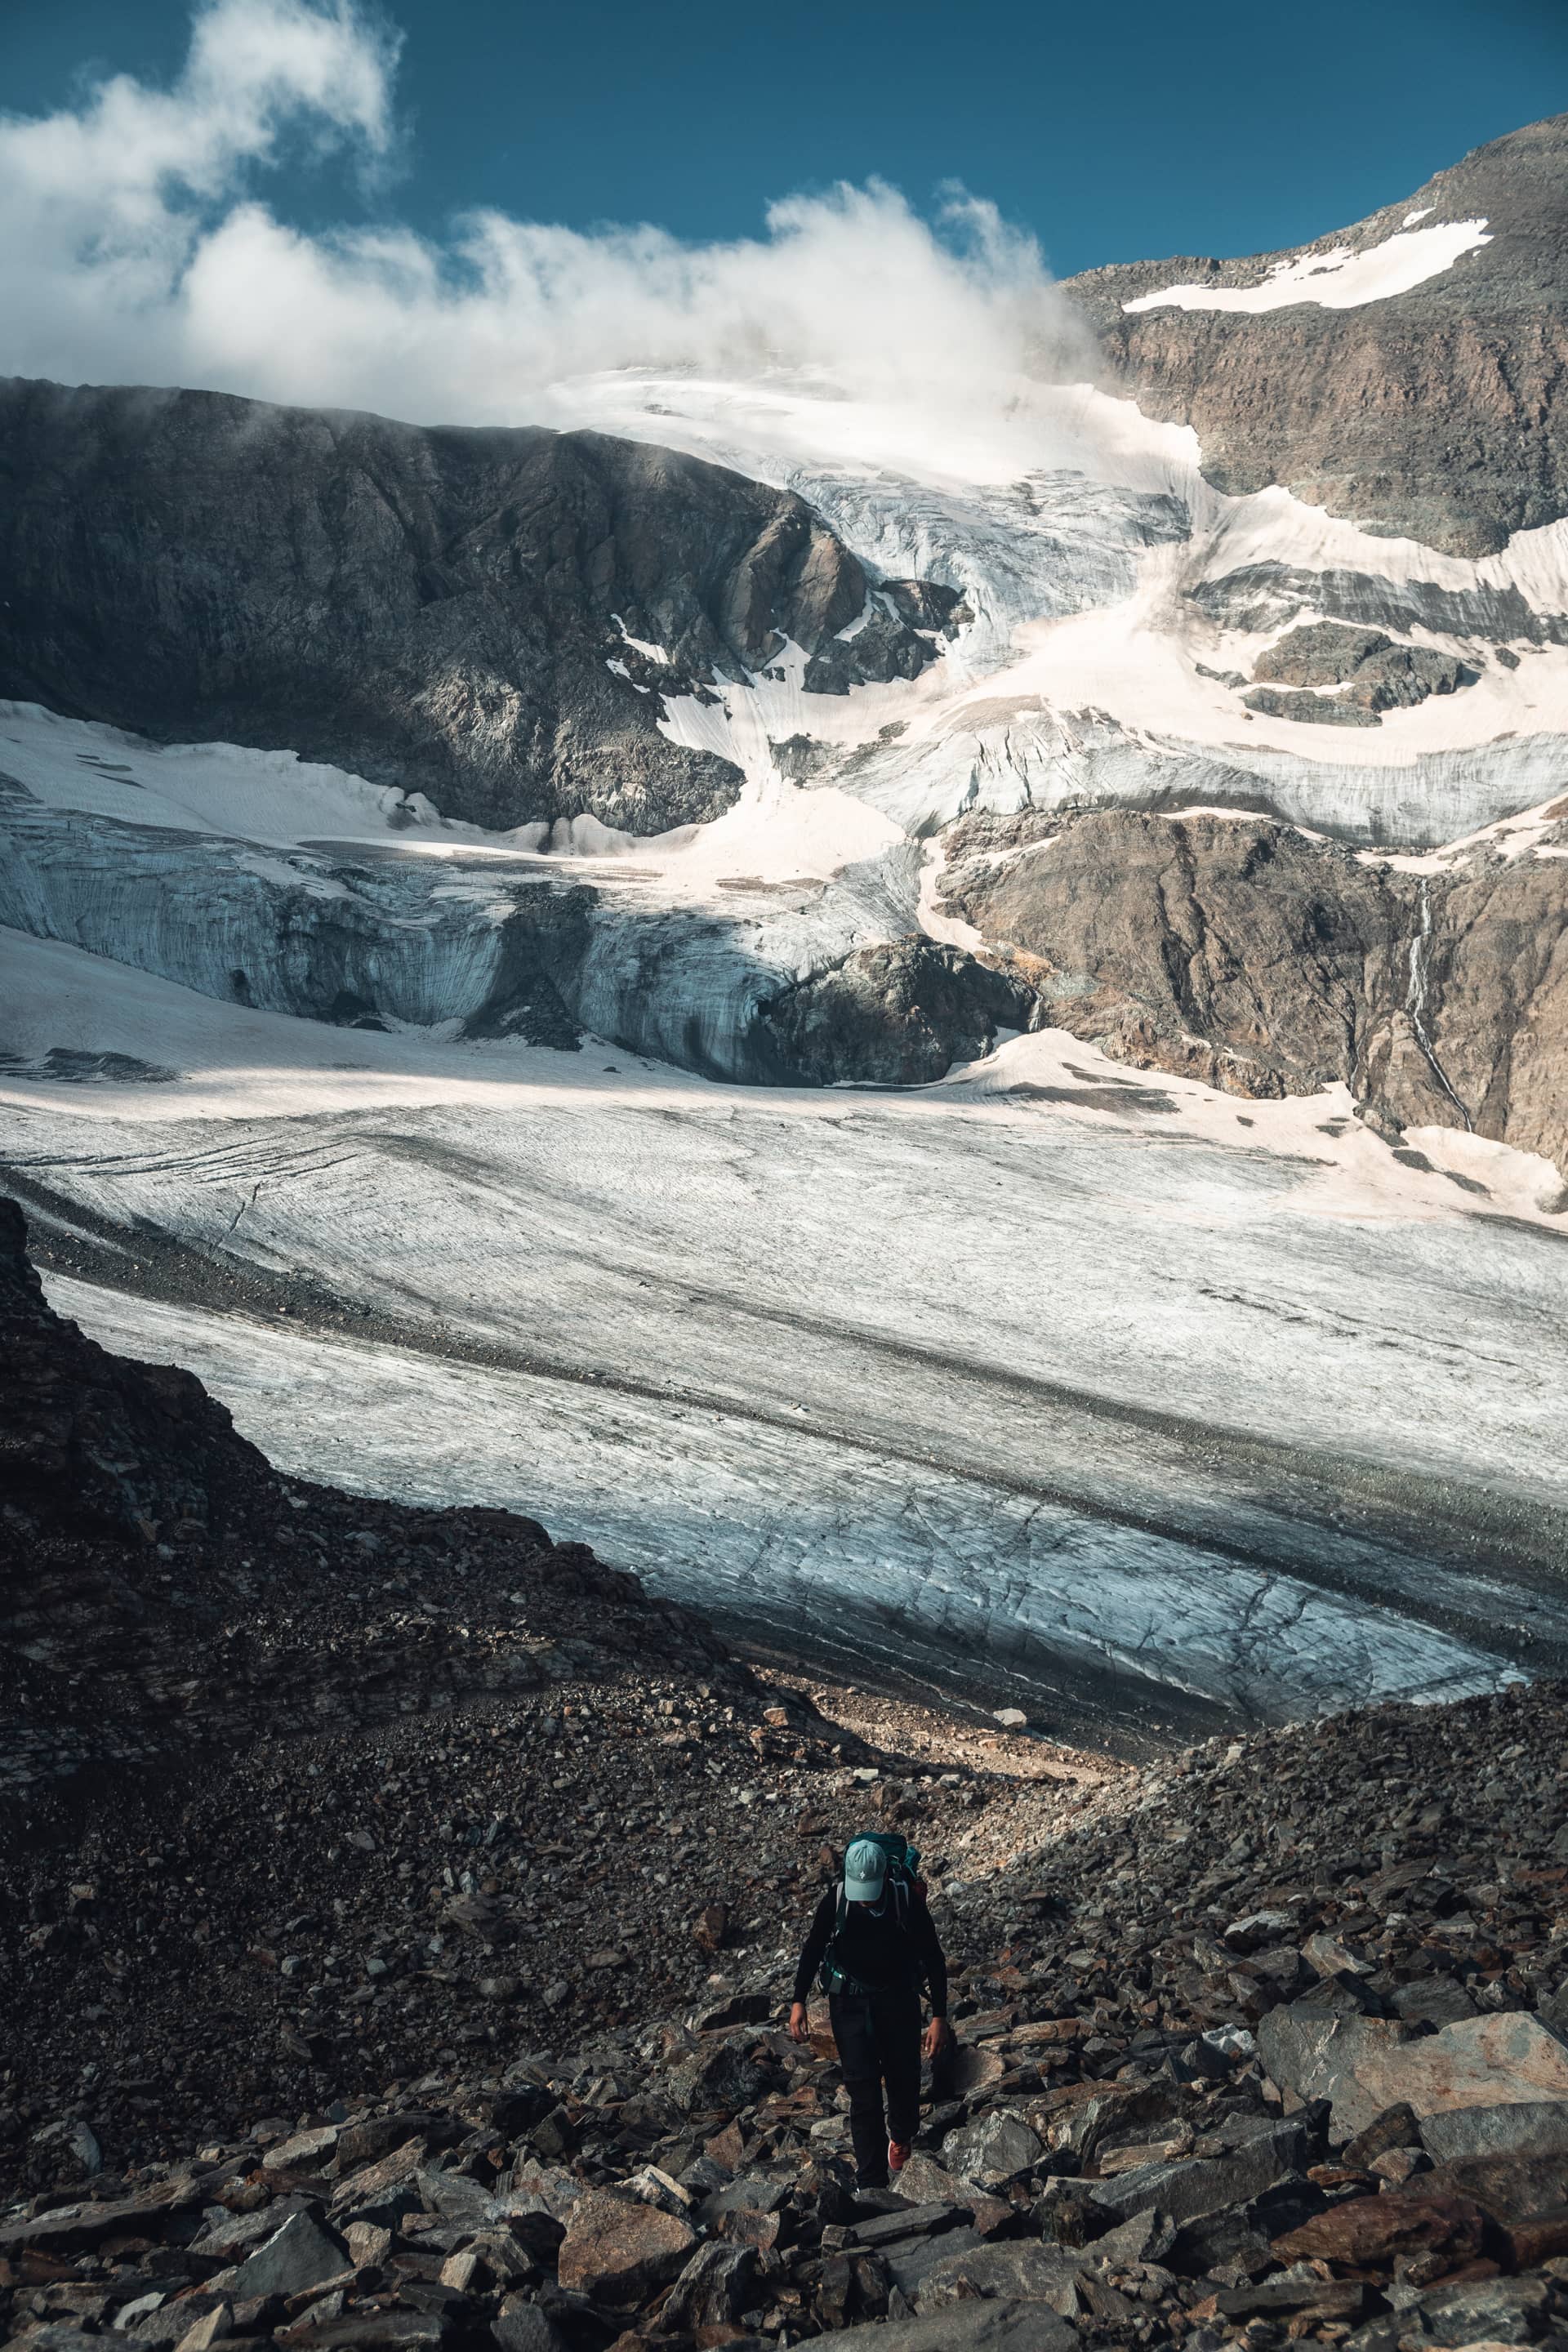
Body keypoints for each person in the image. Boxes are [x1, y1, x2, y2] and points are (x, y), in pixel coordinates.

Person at [788, 1835, 951, 2189]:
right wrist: (798, 2000)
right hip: (849, 2002)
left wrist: (940, 2016)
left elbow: (935, 1958)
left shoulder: (905, 1900)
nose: (864, 1902)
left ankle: (902, 2133)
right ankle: (872, 2181)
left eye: (871, 1892)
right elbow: (814, 1947)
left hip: (898, 1999)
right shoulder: (836, 1901)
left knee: (903, 2077)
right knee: (862, 2092)